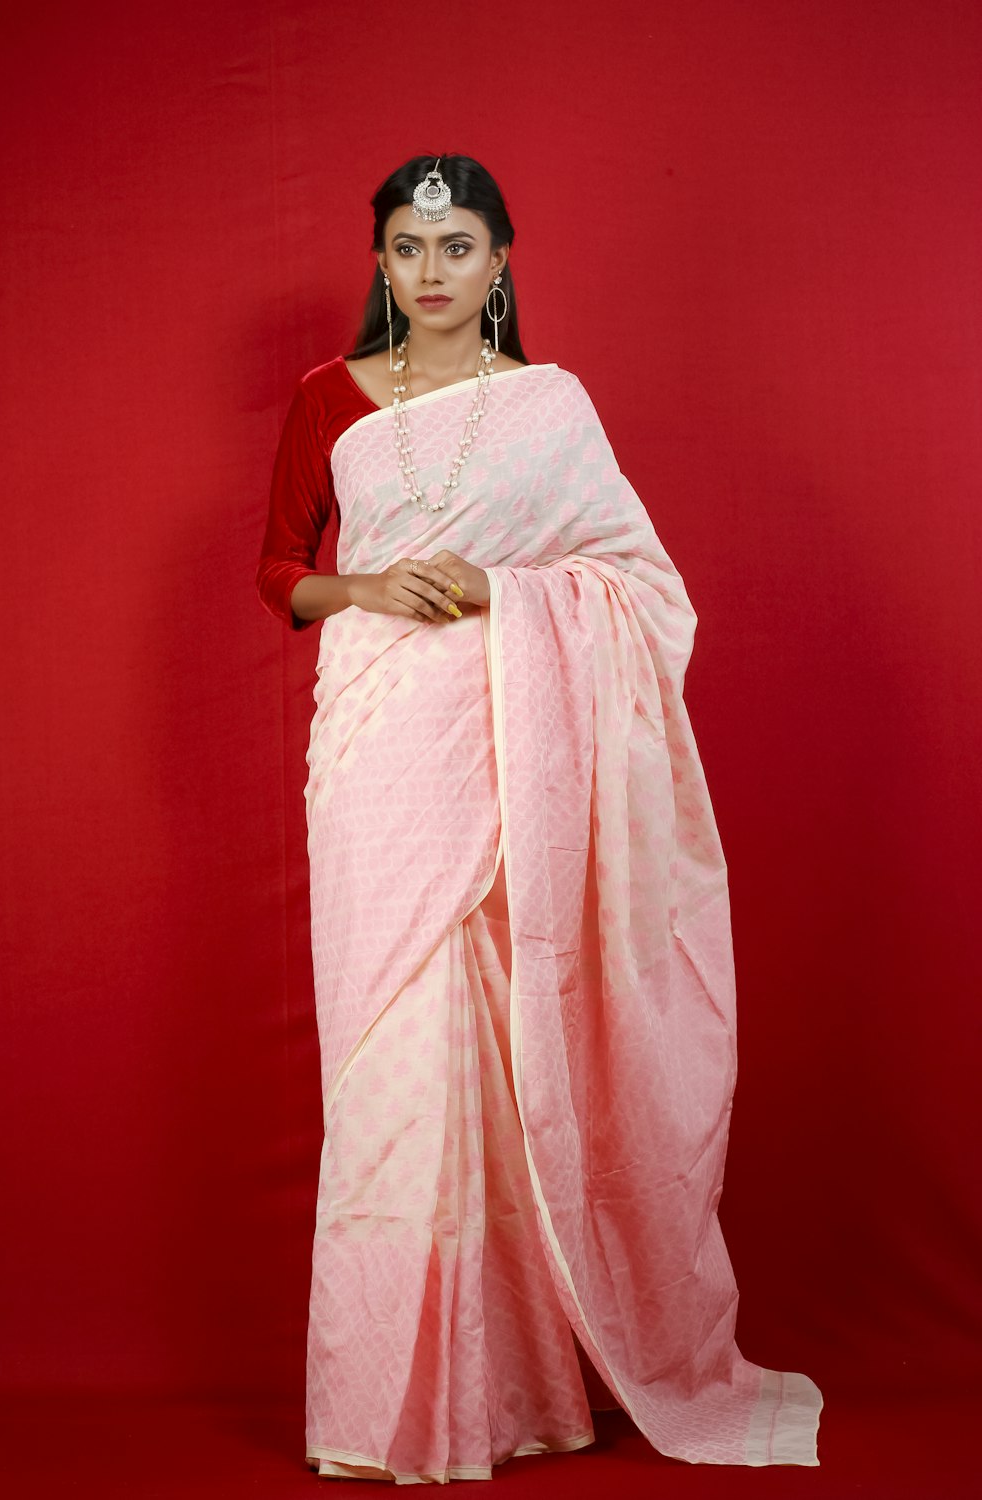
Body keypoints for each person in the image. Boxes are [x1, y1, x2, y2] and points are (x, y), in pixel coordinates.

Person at [256, 153, 824, 1483]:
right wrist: (374, 586)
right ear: (382, 265)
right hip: (380, 747)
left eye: (459, 248)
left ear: (502, 261)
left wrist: (510, 595)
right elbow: (280, 572)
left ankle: (512, 1390)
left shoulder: (550, 406)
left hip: (513, 743)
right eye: (409, 248)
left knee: (507, 1053)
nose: (434, 271)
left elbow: (638, 584)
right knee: (389, 1064)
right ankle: (383, 1404)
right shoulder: (326, 401)